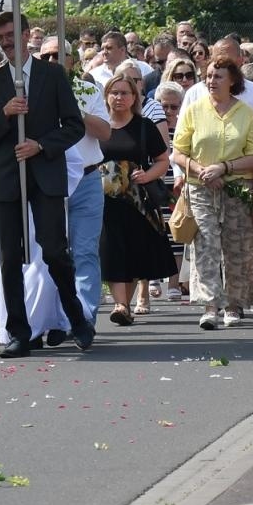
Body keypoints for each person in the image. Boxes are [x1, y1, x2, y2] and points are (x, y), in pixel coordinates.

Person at [0, 11, 92, 358]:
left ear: (27, 35)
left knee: (54, 249)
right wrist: (6, 114)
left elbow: (74, 126)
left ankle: (77, 318)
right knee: (10, 257)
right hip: (9, 177)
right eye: (2, 38)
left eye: (12, 35)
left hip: (45, 173)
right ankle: (19, 332)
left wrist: (41, 145)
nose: (8, 43)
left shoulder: (52, 75)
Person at [171, 56, 253, 331]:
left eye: (218, 76)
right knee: (206, 244)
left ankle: (234, 304)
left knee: (237, 246)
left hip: (236, 188)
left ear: (232, 80)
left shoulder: (245, 112)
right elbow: (178, 152)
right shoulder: (194, 109)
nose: (211, 81)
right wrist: (201, 170)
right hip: (201, 187)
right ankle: (210, 305)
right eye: (209, 76)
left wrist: (224, 168)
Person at [44, 36, 112, 326]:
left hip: (86, 180)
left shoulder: (86, 90)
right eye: (45, 56)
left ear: (71, 61)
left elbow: (105, 132)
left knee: (84, 250)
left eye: (58, 55)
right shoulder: (35, 93)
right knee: (54, 253)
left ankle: (84, 318)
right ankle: (58, 318)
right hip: (50, 182)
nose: (52, 61)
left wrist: (74, 110)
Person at [97, 73, 175, 326]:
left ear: (134, 98)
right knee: (111, 251)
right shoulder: (98, 126)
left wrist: (147, 174)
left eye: (124, 93)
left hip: (136, 201)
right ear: (106, 95)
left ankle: (124, 305)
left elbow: (163, 160)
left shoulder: (144, 126)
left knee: (130, 253)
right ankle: (121, 304)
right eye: (114, 92)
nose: (119, 97)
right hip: (103, 200)